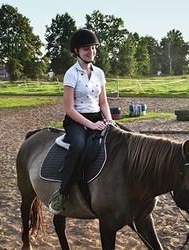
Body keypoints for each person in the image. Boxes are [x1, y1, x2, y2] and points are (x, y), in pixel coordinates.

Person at [49, 29, 114, 214]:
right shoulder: (72, 74)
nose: (91, 51)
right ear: (77, 51)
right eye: (86, 48)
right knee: (78, 146)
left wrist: (109, 119)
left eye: (93, 48)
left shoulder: (99, 73)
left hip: (97, 117)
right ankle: (62, 192)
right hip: (76, 120)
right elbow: (68, 108)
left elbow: (103, 102)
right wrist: (91, 125)